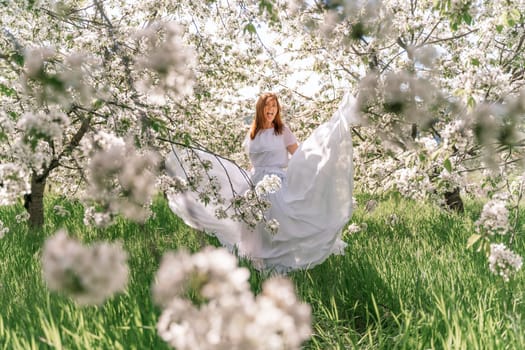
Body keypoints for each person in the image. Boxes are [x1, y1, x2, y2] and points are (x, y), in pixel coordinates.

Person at [165, 92, 357, 273]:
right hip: (254, 181)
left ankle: (280, 259)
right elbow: (254, 163)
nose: (271, 110)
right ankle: (259, 261)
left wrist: (317, 161)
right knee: (253, 224)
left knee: (277, 220)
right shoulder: (252, 134)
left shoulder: (283, 131)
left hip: (275, 181)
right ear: (260, 109)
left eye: (274, 106)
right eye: (268, 106)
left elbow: (298, 155)